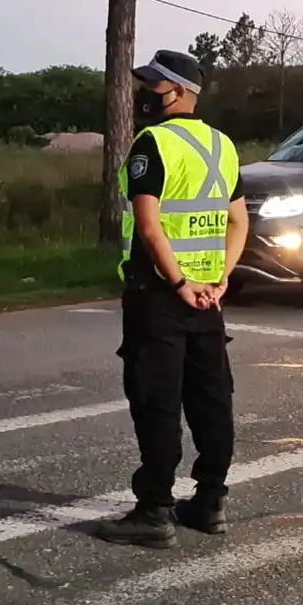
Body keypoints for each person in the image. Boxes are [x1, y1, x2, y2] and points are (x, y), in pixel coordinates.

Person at [94, 50, 249, 549]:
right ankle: (209, 503)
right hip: (210, 297)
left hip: (160, 294)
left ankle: (154, 510)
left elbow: (148, 224)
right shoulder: (221, 145)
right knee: (210, 400)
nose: (145, 94)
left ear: (179, 91)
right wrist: (221, 279)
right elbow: (239, 221)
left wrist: (180, 283)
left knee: (156, 400)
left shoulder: (152, 143)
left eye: (153, 86)